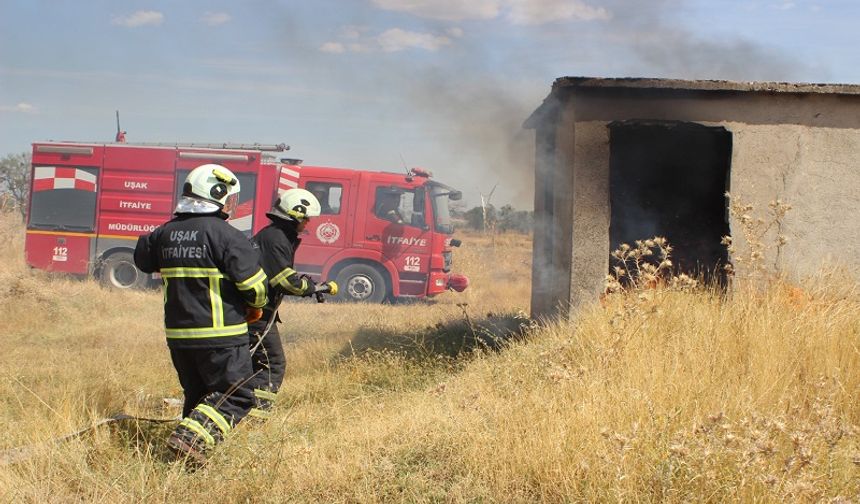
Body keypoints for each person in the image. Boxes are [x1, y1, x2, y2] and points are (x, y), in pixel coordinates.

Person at [133, 163, 268, 462]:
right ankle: (191, 438)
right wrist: (255, 308)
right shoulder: (228, 236)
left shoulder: (163, 234)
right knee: (238, 394)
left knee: (199, 397)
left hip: (180, 337)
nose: (231, 205)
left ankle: (186, 460)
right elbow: (256, 288)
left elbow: (142, 258)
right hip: (221, 335)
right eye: (230, 197)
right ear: (217, 194)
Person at [246, 188, 334, 418]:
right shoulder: (276, 238)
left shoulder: (275, 235)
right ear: (295, 215)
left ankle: (244, 410)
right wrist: (314, 288)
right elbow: (286, 281)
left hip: (254, 311)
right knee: (271, 363)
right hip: (256, 314)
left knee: (249, 363)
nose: (308, 224)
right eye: (306, 219)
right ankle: (257, 419)